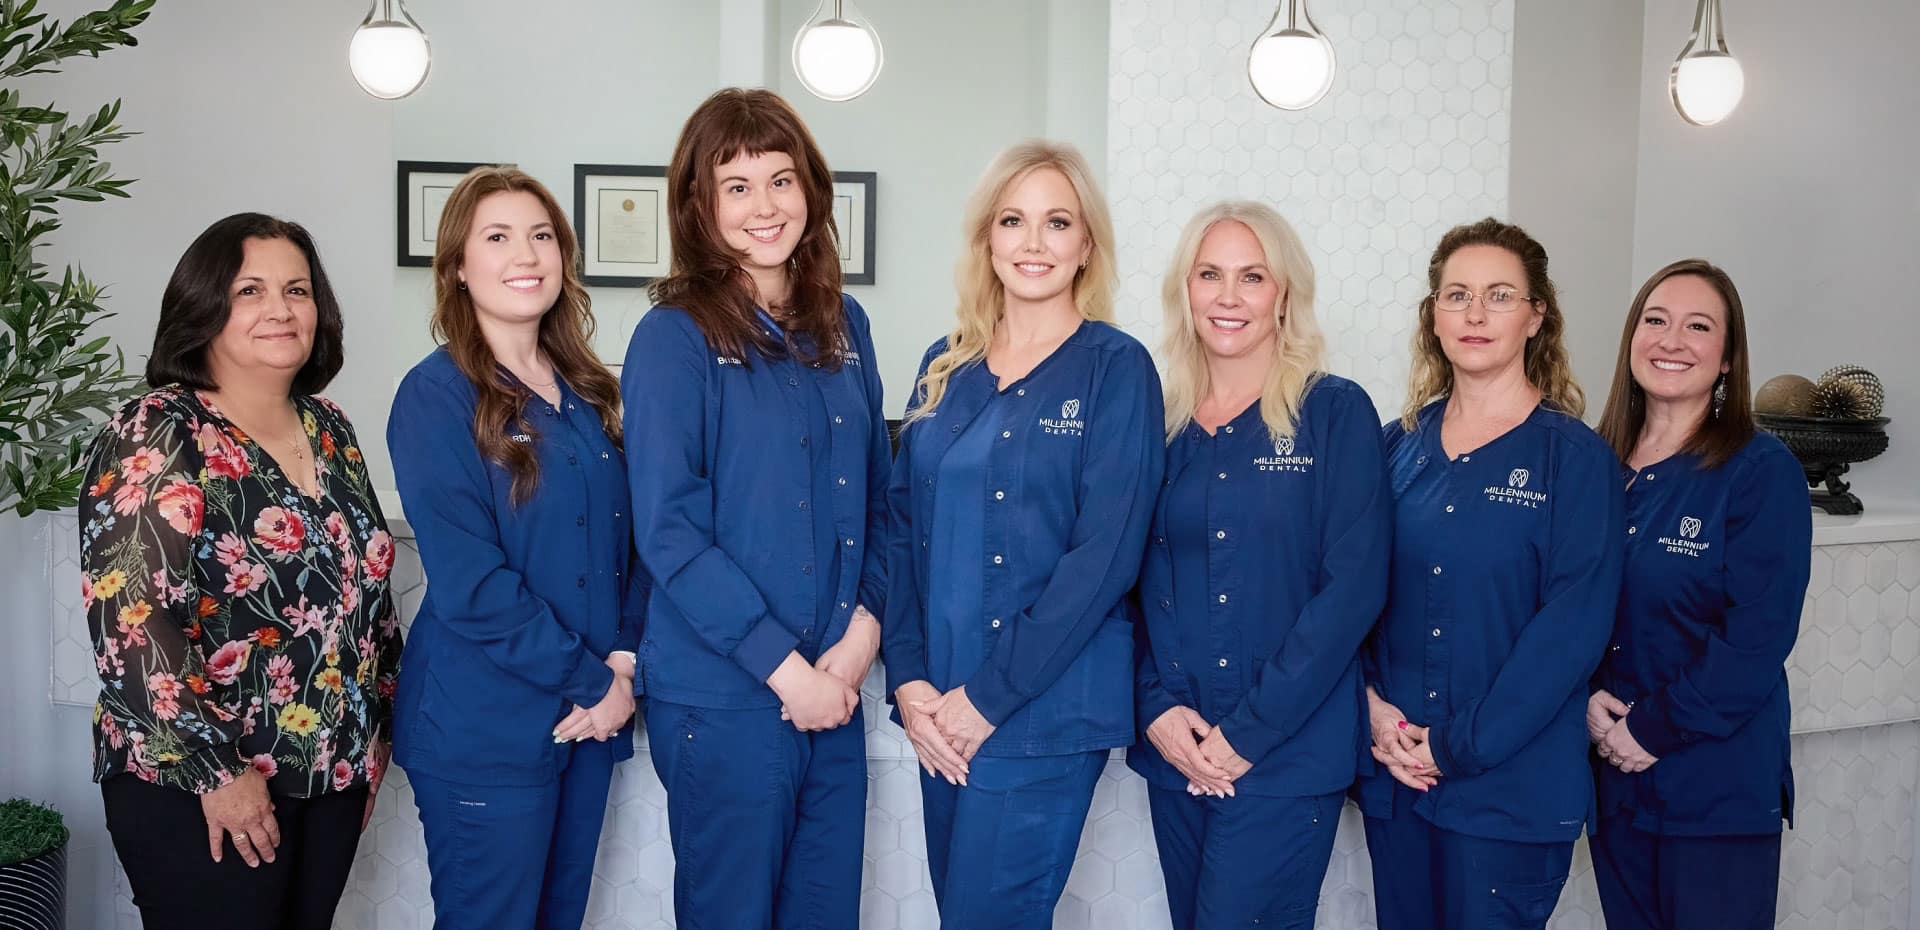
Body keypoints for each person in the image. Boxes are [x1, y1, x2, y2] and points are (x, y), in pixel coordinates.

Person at [80, 213, 401, 930]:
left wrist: (376, 731)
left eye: (298, 289)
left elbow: (366, 593)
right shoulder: (159, 428)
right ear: (204, 306)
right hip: (201, 785)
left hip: (333, 774)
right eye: (250, 290)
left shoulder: (332, 429)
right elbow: (129, 623)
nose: (281, 309)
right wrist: (217, 773)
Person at [622, 88, 888, 930]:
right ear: (699, 206)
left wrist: (858, 642)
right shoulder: (673, 338)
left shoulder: (847, 326)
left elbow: (883, 497)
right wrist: (789, 671)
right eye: (736, 186)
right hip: (728, 699)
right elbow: (670, 531)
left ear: (811, 191)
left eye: (780, 179)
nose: (764, 206)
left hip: (835, 692)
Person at [883, 140, 1162, 930]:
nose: (1034, 243)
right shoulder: (947, 364)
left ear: (1086, 246)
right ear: (987, 240)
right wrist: (911, 685)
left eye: (1057, 222)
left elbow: (1105, 557)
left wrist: (988, 699)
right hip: (939, 708)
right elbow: (901, 530)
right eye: (1013, 220)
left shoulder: (1117, 368)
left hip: (1042, 716)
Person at [387, 167, 641, 930]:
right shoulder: (435, 396)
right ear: (459, 267)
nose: (524, 254)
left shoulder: (589, 391)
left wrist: (623, 663)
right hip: (484, 726)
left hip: (590, 718)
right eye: (496, 237)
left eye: (540, 236)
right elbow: (471, 583)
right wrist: (594, 683)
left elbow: (629, 545)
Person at [1127, 201, 1391, 930]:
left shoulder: (1334, 413)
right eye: (1209, 274)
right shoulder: (1157, 419)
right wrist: (1153, 709)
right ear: (1185, 290)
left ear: (1284, 294)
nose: (1229, 296)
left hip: (1285, 754)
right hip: (1177, 749)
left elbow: (1353, 589)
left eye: (1252, 276)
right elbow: (1124, 582)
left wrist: (1249, 732)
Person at [1357, 218, 1625, 930]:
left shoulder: (1576, 461)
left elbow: (1572, 630)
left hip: (1512, 792)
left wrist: (1455, 745)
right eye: (1457, 295)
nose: (1475, 314)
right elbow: (1348, 595)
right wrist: (1371, 708)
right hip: (1398, 777)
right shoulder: (1394, 448)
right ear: (1434, 316)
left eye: (1500, 296)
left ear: (1537, 316)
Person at [1587, 259, 1811, 930]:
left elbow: (1758, 639)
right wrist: (1584, 696)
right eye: (1655, 321)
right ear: (1632, 340)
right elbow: (1565, 606)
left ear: (1727, 358)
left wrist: (1652, 728)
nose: (1671, 340)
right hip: (1614, 780)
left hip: (1715, 786)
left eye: (1698, 326)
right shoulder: (1593, 463)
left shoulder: (1759, 468)